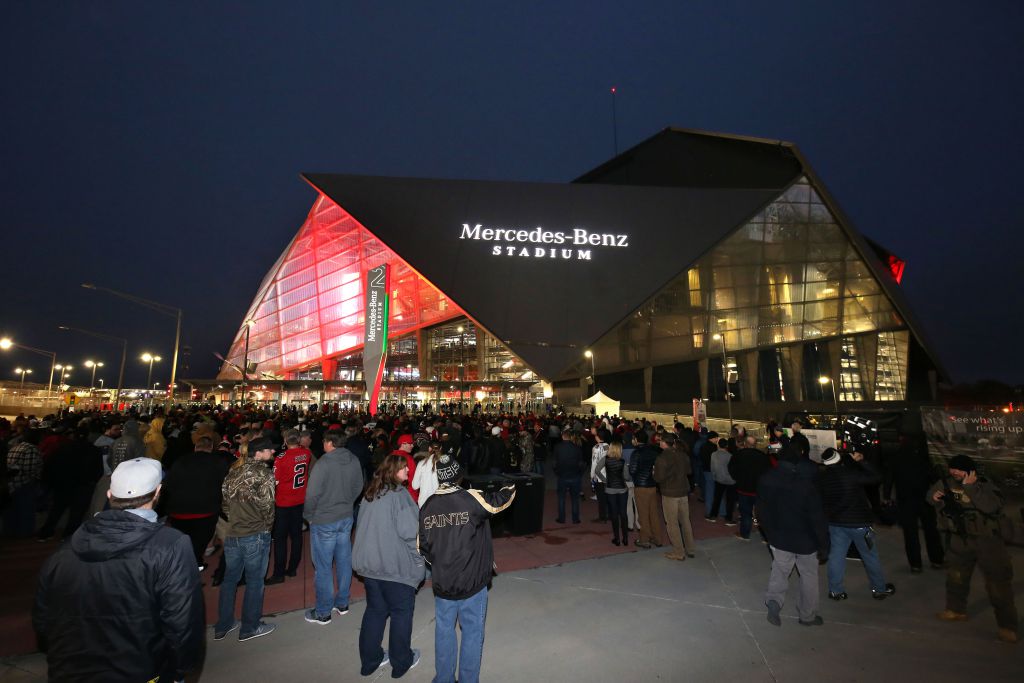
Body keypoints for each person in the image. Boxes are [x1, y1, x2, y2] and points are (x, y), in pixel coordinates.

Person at [33, 457, 204, 682]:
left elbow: (43, 619)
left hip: (69, 669)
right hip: (141, 669)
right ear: (157, 492)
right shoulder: (170, 545)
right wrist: (181, 668)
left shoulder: (65, 550)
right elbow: (182, 619)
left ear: (110, 495)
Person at [419, 452, 515, 683]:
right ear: (458, 476)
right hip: (472, 582)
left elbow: (423, 549)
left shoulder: (427, 506)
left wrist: (443, 564)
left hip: (443, 584)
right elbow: (498, 503)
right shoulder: (470, 498)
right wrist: (511, 486)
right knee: (472, 633)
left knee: (444, 632)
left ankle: (443, 678)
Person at [928, 454, 1018, 643]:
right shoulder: (947, 482)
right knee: (956, 578)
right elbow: (930, 496)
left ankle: (1008, 627)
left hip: (988, 542)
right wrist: (934, 498)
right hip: (960, 540)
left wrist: (970, 487)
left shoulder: (984, 485)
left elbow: (991, 506)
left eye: (958, 469)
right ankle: (955, 610)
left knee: (997, 584)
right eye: (952, 469)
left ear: (970, 471)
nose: (954, 472)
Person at [352, 455, 426, 677]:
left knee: (375, 611)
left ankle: (370, 661)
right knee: (401, 613)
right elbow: (412, 534)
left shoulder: (371, 494)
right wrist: (418, 562)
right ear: (394, 471)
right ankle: (401, 661)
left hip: (370, 565)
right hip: (394, 566)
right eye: (404, 469)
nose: (408, 472)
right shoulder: (399, 495)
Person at [215, 436, 278, 642]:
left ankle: (224, 624)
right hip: (256, 533)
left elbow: (224, 503)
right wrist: (266, 528)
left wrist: (235, 520)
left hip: (233, 533)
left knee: (229, 580)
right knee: (254, 581)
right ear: (258, 453)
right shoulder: (264, 474)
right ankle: (250, 627)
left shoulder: (233, 472)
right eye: (269, 450)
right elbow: (268, 506)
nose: (273, 452)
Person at [758, 450, 830, 627]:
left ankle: (774, 603)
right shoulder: (807, 487)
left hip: (779, 538)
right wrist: (824, 545)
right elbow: (817, 519)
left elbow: (761, 511)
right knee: (809, 576)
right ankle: (808, 615)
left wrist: (769, 534)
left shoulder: (767, 479)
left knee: (780, 571)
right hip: (806, 541)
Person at [303, 429, 364, 624]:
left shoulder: (324, 463)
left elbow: (312, 494)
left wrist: (308, 515)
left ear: (330, 443)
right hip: (345, 517)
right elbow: (358, 486)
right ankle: (342, 603)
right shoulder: (353, 459)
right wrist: (347, 503)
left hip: (324, 520)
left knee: (323, 566)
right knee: (344, 561)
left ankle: (323, 611)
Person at [819, 447, 896, 601]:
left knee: (836, 557)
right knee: (870, 557)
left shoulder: (823, 478)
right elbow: (876, 477)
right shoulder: (851, 474)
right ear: (839, 459)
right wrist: (862, 461)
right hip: (859, 523)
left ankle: (836, 591)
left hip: (835, 523)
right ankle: (879, 589)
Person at [162, 433, 229, 571]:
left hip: (178, 511)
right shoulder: (218, 462)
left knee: (184, 543)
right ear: (211, 448)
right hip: (205, 511)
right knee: (198, 544)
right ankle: (191, 570)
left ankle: (191, 566)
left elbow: (168, 485)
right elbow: (226, 485)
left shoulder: (180, 461)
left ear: (195, 447)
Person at [888, 432, 944, 573]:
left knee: (910, 533)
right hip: (924, 499)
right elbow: (933, 477)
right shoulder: (922, 458)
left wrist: (886, 496)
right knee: (931, 531)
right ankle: (937, 559)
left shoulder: (896, 458)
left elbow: (889, 478)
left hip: (905, 500)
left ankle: (915, 564)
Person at [266, 429, 312, 584]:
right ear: (299, 440)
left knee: (280, 538)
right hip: (299, 499)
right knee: (296, 535)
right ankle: (292, 568)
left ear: (285, 441)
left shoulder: (281, 458)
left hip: (283, 502)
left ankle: (279, 573)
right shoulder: (306, 454)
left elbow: (275, 481)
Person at [653, 433, 695, 560]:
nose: (659, 442)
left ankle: (678, 551)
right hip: (683, 491)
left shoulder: (662, 458)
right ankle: (690, 548)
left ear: (664, 443)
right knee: (685, 521)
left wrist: (654, 472)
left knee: (672, 523)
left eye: (660, 441)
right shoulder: (682, 455)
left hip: (670, 493)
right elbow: (689, 471)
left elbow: (658, 478)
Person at [727, 435, 771, 541]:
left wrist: (738, 479)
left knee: (745, 513)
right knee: (761, 513)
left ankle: (745, 534)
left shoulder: (738, 455)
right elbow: (768, 472)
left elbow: (731, 469)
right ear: (755, 444)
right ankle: (766, 537)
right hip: (758, 490)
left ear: (745, 444)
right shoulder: (762, 456)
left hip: (743, 489)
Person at [630, 429, 663, 548]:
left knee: (643, 514)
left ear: (636, 440)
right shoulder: (653, 451)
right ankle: (657, 538)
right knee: (653, 513)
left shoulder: (636, 453)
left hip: (641, 486)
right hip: (652, 485)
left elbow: (632, 470)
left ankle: (645, 539)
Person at [597, 439, 632, 546]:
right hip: (622, 489)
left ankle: (617, 539)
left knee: (614, 514)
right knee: (623, 513)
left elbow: (597, 470)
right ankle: (625, 538)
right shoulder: (623, 461)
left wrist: (604, 480)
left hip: (610, 489)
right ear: (620, 449)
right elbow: (626, 477)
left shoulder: (605, 459)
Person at [552, 429, 584, 524]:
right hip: (575, 476)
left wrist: (557, 472)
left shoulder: (557, 447)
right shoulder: (577, 448)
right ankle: (575, 519)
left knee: (561, 498)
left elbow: (554, 463)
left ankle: (562, 518)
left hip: (562, 476)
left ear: (562, 436)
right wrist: (579, 473)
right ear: (570, 437)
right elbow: (581, 463)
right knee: (575, 498)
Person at [708, 436, 737, 525]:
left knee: (717, 498)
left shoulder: (713, 454)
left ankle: (713, 516)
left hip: (719, 479)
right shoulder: (730, 456)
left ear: (718, 445)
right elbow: (732, 469)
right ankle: (728, 519)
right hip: (730, 481)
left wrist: (714, 476)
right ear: (726, 446)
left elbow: (712, 468)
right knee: (730, 500)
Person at [590, 427, 610, 522]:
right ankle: (609, 514)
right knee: (607, 497)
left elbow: (594, 463)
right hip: (607, 475)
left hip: (599, 476)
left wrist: (592, 475)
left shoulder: (596, 448)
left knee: (601, 498)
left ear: (597, 437)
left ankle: (602, 517)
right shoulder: (608, 446)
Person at [412, 441, 441, 507]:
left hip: (424, 503)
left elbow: (415, 486)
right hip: (439, 502)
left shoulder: (421, 463)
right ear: (441, 448)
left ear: (429, 448)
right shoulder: (444, 464)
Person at [391, 434, 419, 504]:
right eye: (410, 444)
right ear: (403, 444)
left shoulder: (390, 456)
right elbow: (413, 478)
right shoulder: (408, 458)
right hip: (408, 496)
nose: (412, 446)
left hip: (392, 494)